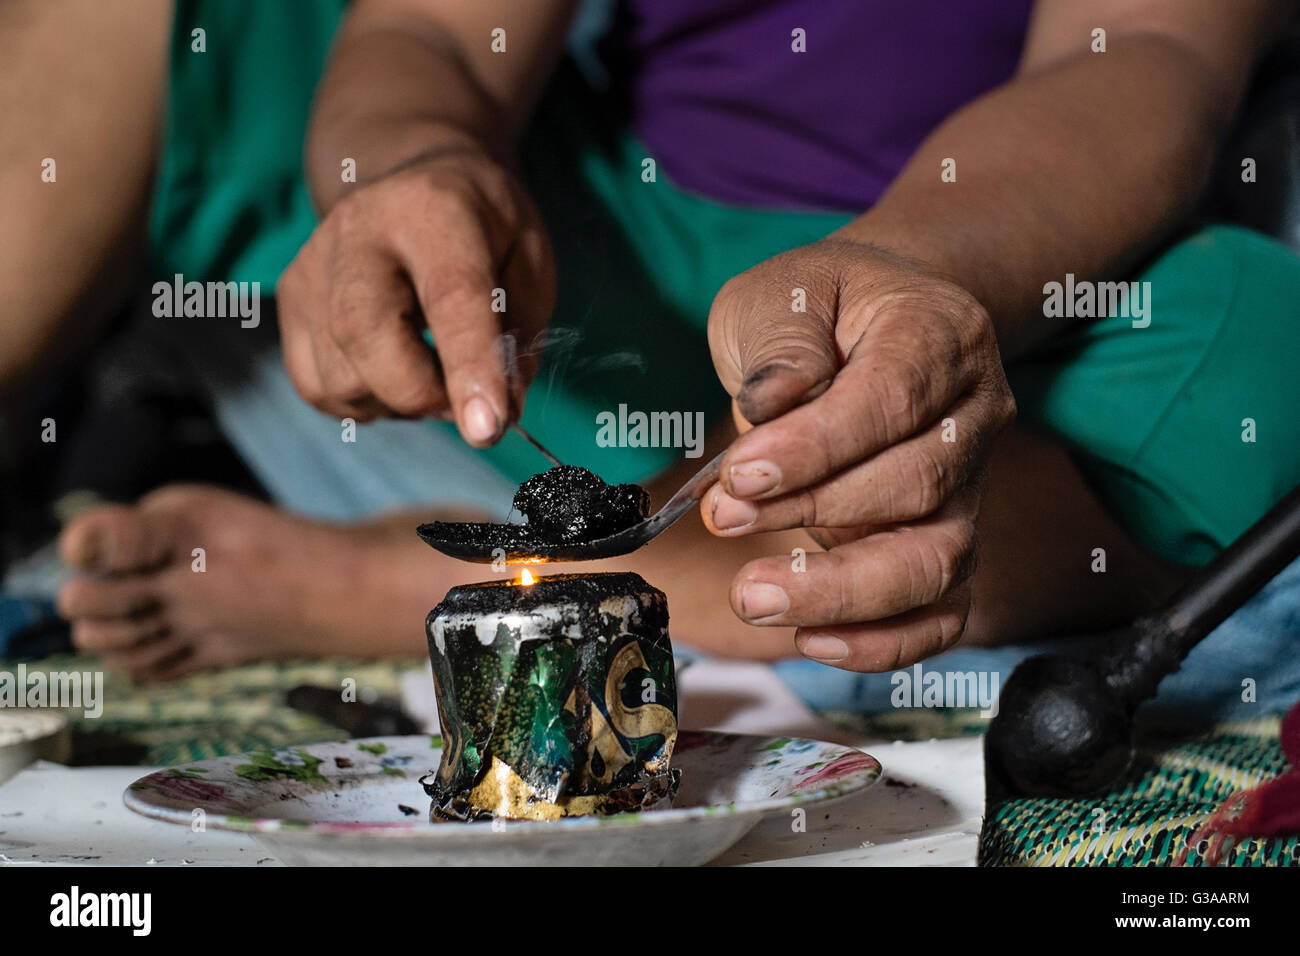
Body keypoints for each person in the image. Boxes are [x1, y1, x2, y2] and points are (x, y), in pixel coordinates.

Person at [6, 0, 1300, 719]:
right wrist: (417, 166)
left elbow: (1142, 53)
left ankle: (440, 585)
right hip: (581, 295)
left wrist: (924, 272)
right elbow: (439, 36)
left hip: (984, 291)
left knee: (1262, 346)